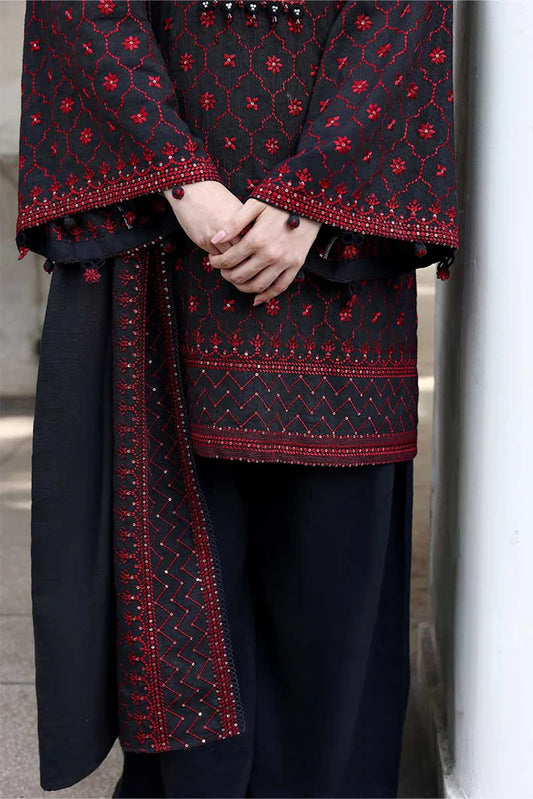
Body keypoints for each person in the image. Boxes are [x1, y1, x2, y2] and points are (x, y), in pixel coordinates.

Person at [15, 1, 458, 796]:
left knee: (331, 606)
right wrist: (183, 181)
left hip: (341, 276)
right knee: (179, 614)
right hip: (164, 251)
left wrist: (310, 197)